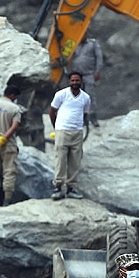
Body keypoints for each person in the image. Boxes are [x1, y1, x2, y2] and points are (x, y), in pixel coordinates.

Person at [49, 72, 92, 200]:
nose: (75, 83)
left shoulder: (86, 98)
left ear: (81, 81)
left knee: (75, 160)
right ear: (69, 82)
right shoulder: (61, 94)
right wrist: (56, 127)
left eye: (77, 80)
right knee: (60, 159)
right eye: (72, 80)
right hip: (62, 130)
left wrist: (79, 125)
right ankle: (57, 187)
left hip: (77, 132)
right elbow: (52, 111)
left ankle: (70, 188)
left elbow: (85, 114)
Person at [69, 38, 103, 127]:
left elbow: (99, 57)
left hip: (89, 74)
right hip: (76, 75)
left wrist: (97, 71)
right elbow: (65, 56)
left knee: (90, 96)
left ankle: (93, 117)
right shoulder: (72, 43)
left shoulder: (93, 44)